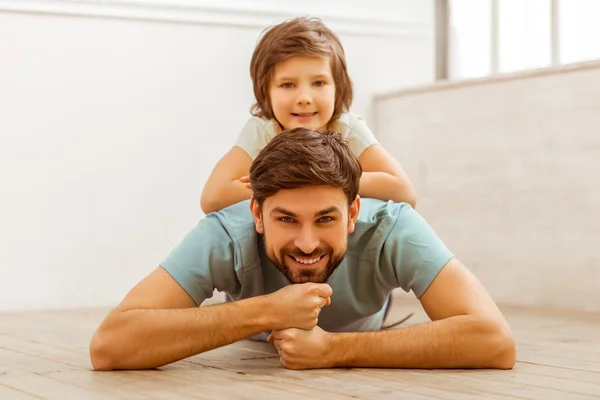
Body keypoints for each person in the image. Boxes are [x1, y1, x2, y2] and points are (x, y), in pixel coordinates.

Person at [89, 128, 516, 371]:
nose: (308, 243)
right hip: (255, 338)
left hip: (361, 324)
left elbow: (494, 340)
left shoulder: (393, 226)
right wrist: (266, 311)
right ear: (257, 213)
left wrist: (335, 349)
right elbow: (111, 345)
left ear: (353, 214)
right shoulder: (225, 232)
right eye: (286, 219)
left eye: (326, 219)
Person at [200, 17, 417, 214]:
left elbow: (404, 192)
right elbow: (212, 198)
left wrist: (327, 178)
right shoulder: (263, 131)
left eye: (318, 83)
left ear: (337, 88)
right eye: (287, 84)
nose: (304, 97)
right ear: (266, 91)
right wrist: (298, 182)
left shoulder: (346, 128)